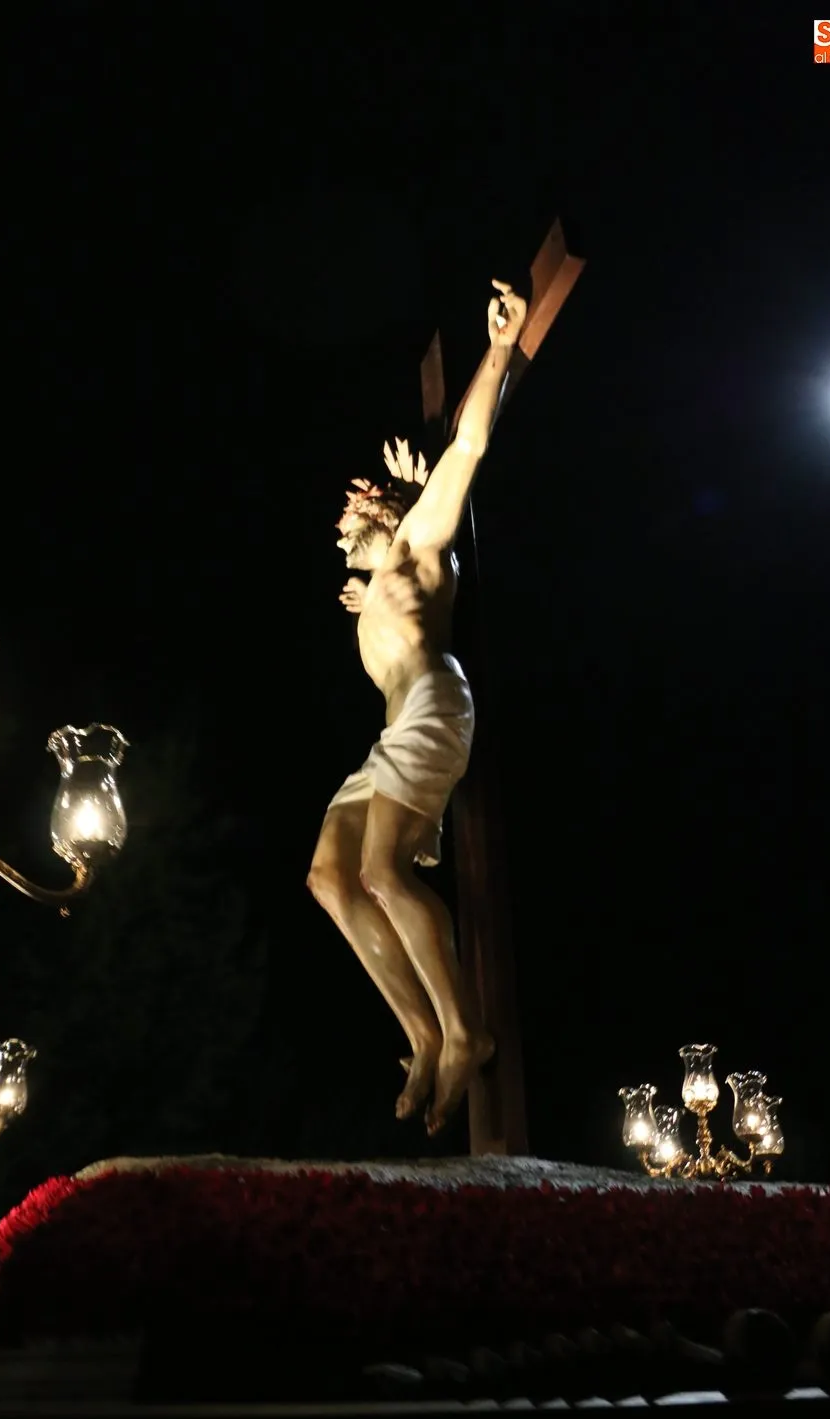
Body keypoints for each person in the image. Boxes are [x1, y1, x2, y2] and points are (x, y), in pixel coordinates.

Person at [307, 279, 527, 1136]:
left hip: (436, 704)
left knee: (382, 870)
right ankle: (424, 1033)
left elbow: (467, 445)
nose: (342, 528)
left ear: (389, 513)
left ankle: (465, 1028)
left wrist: (499, 348)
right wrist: (371, 595)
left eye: (353, 515)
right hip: (395, 731)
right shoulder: (380, 586)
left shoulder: (418, 543)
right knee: (331, 875)